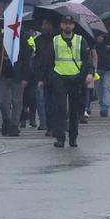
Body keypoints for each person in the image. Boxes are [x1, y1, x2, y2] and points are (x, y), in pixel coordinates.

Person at [43, 16, 93, 148]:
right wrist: (49, 78)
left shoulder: (80, 40)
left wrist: (89, 73)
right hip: (59, 78)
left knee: (74, 110)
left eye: (70, 24)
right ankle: (60, 138)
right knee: (60, 109)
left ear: (73, 26)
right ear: (61, 25)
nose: (67, 26)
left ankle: (73, 138)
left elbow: (87, 60)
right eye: (65, 24)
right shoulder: (55, 40)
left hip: (76, 79)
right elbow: (48, 61)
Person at [0, 24, 31, 137]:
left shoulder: (21, 41)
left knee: (17, 102)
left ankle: (14, 125)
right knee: (2, 101)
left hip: (17, 75)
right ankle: (7, 120)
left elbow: (27, 60)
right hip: (3, 74)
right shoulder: (2, 40)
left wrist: (25, 77)